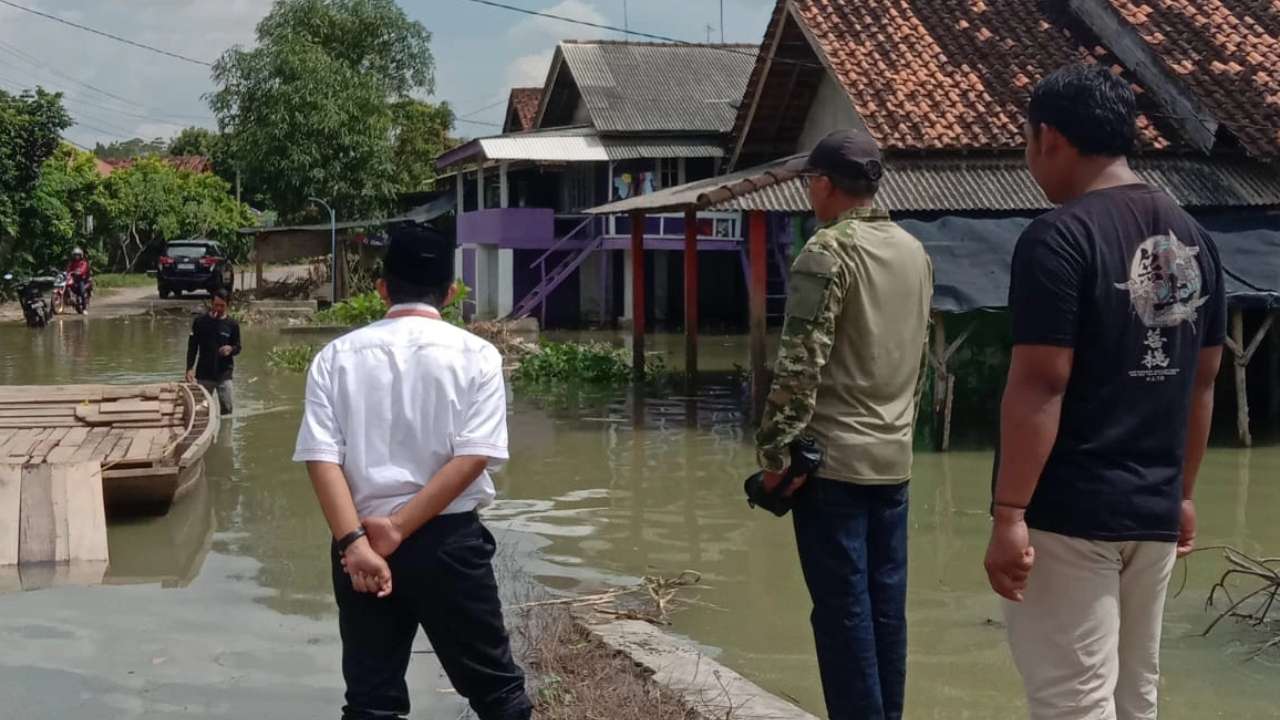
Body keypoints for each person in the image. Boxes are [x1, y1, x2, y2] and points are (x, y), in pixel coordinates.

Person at [984, 64, 1226, 720]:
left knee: (1072, 703)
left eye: (1029, 141)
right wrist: (1183, 495)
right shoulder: (1195, 240)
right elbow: (1203, 383)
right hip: (1152, 512)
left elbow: (1041, 383)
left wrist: (1009, 515)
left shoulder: (1058, 239)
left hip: (1071, 514)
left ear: (1051, 138)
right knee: (1132, 696)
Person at [292, 222, 532, 720]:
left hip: (358, 546)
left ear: (381, 287)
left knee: (370, 701)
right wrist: (397, 529)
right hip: (447, 544)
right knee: (498, 695)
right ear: (448, 292)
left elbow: (322, 457)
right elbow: (473, 457)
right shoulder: (478, 356)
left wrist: (356, 543)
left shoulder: (335, 357)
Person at [755, 129, 933, 720]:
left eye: (811, 182)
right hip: (895, 463)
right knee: (887, 609)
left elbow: (800, 362)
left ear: (825, 185)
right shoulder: (915, 251)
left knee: (842, 614)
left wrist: (775, 458)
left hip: (832, 468)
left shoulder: (827, 251)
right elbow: (919, 360)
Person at [185, 289, 240, 415]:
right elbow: (192, 347)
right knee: (201, 410)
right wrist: (189, 368)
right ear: (211, 303)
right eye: (216, 305)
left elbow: (238, 347)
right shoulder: (200, 322)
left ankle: (225, 434)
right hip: (204, 373)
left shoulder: (232, 325)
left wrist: (230, 349)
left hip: (224, 373)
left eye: (222, 306)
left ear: (228, 305)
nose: (218, 308)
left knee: (227, 409)